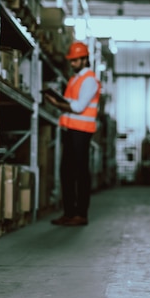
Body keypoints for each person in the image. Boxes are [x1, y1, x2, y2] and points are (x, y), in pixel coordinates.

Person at [46, 41, 101, 227]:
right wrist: (59, 100)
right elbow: (70, 101)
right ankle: (69, 213)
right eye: (71, 60)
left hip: (82, 132)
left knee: (80, 173)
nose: (72, 64)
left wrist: (56, 103)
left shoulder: (89, 80)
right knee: (66, 172)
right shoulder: (75, 79)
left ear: (85, 59)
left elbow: (77, 107)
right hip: (70, 130)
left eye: (76, 60)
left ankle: (81, 214)